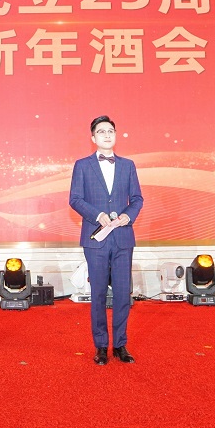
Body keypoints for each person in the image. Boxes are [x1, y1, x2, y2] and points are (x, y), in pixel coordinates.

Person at [68, 115, 144, 366]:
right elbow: (75, 199)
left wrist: (127, 216)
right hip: (96, 238)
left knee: (122, 294)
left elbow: (137, 199)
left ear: (116, 135)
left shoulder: (128, 165)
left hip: (122, 238)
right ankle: (101, 346)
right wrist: (97, 214)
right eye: (101, 131)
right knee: (98, 293)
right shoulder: (82, 165)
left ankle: (120, 344)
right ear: (93, 138)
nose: (107, 134)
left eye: (110, 130)